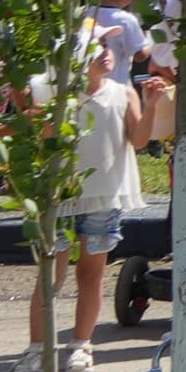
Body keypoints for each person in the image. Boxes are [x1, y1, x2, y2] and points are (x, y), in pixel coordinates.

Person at [62, 37, 142, 347]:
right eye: (94, 47)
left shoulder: (123, 93)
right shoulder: (57, 96)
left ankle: (81, 344)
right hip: (59, 197)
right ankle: (37, 348)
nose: (105, 53)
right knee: (51, 277)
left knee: (90, 273)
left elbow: (139, 140)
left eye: (107, 45)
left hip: (104, 196)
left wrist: (154, 105)